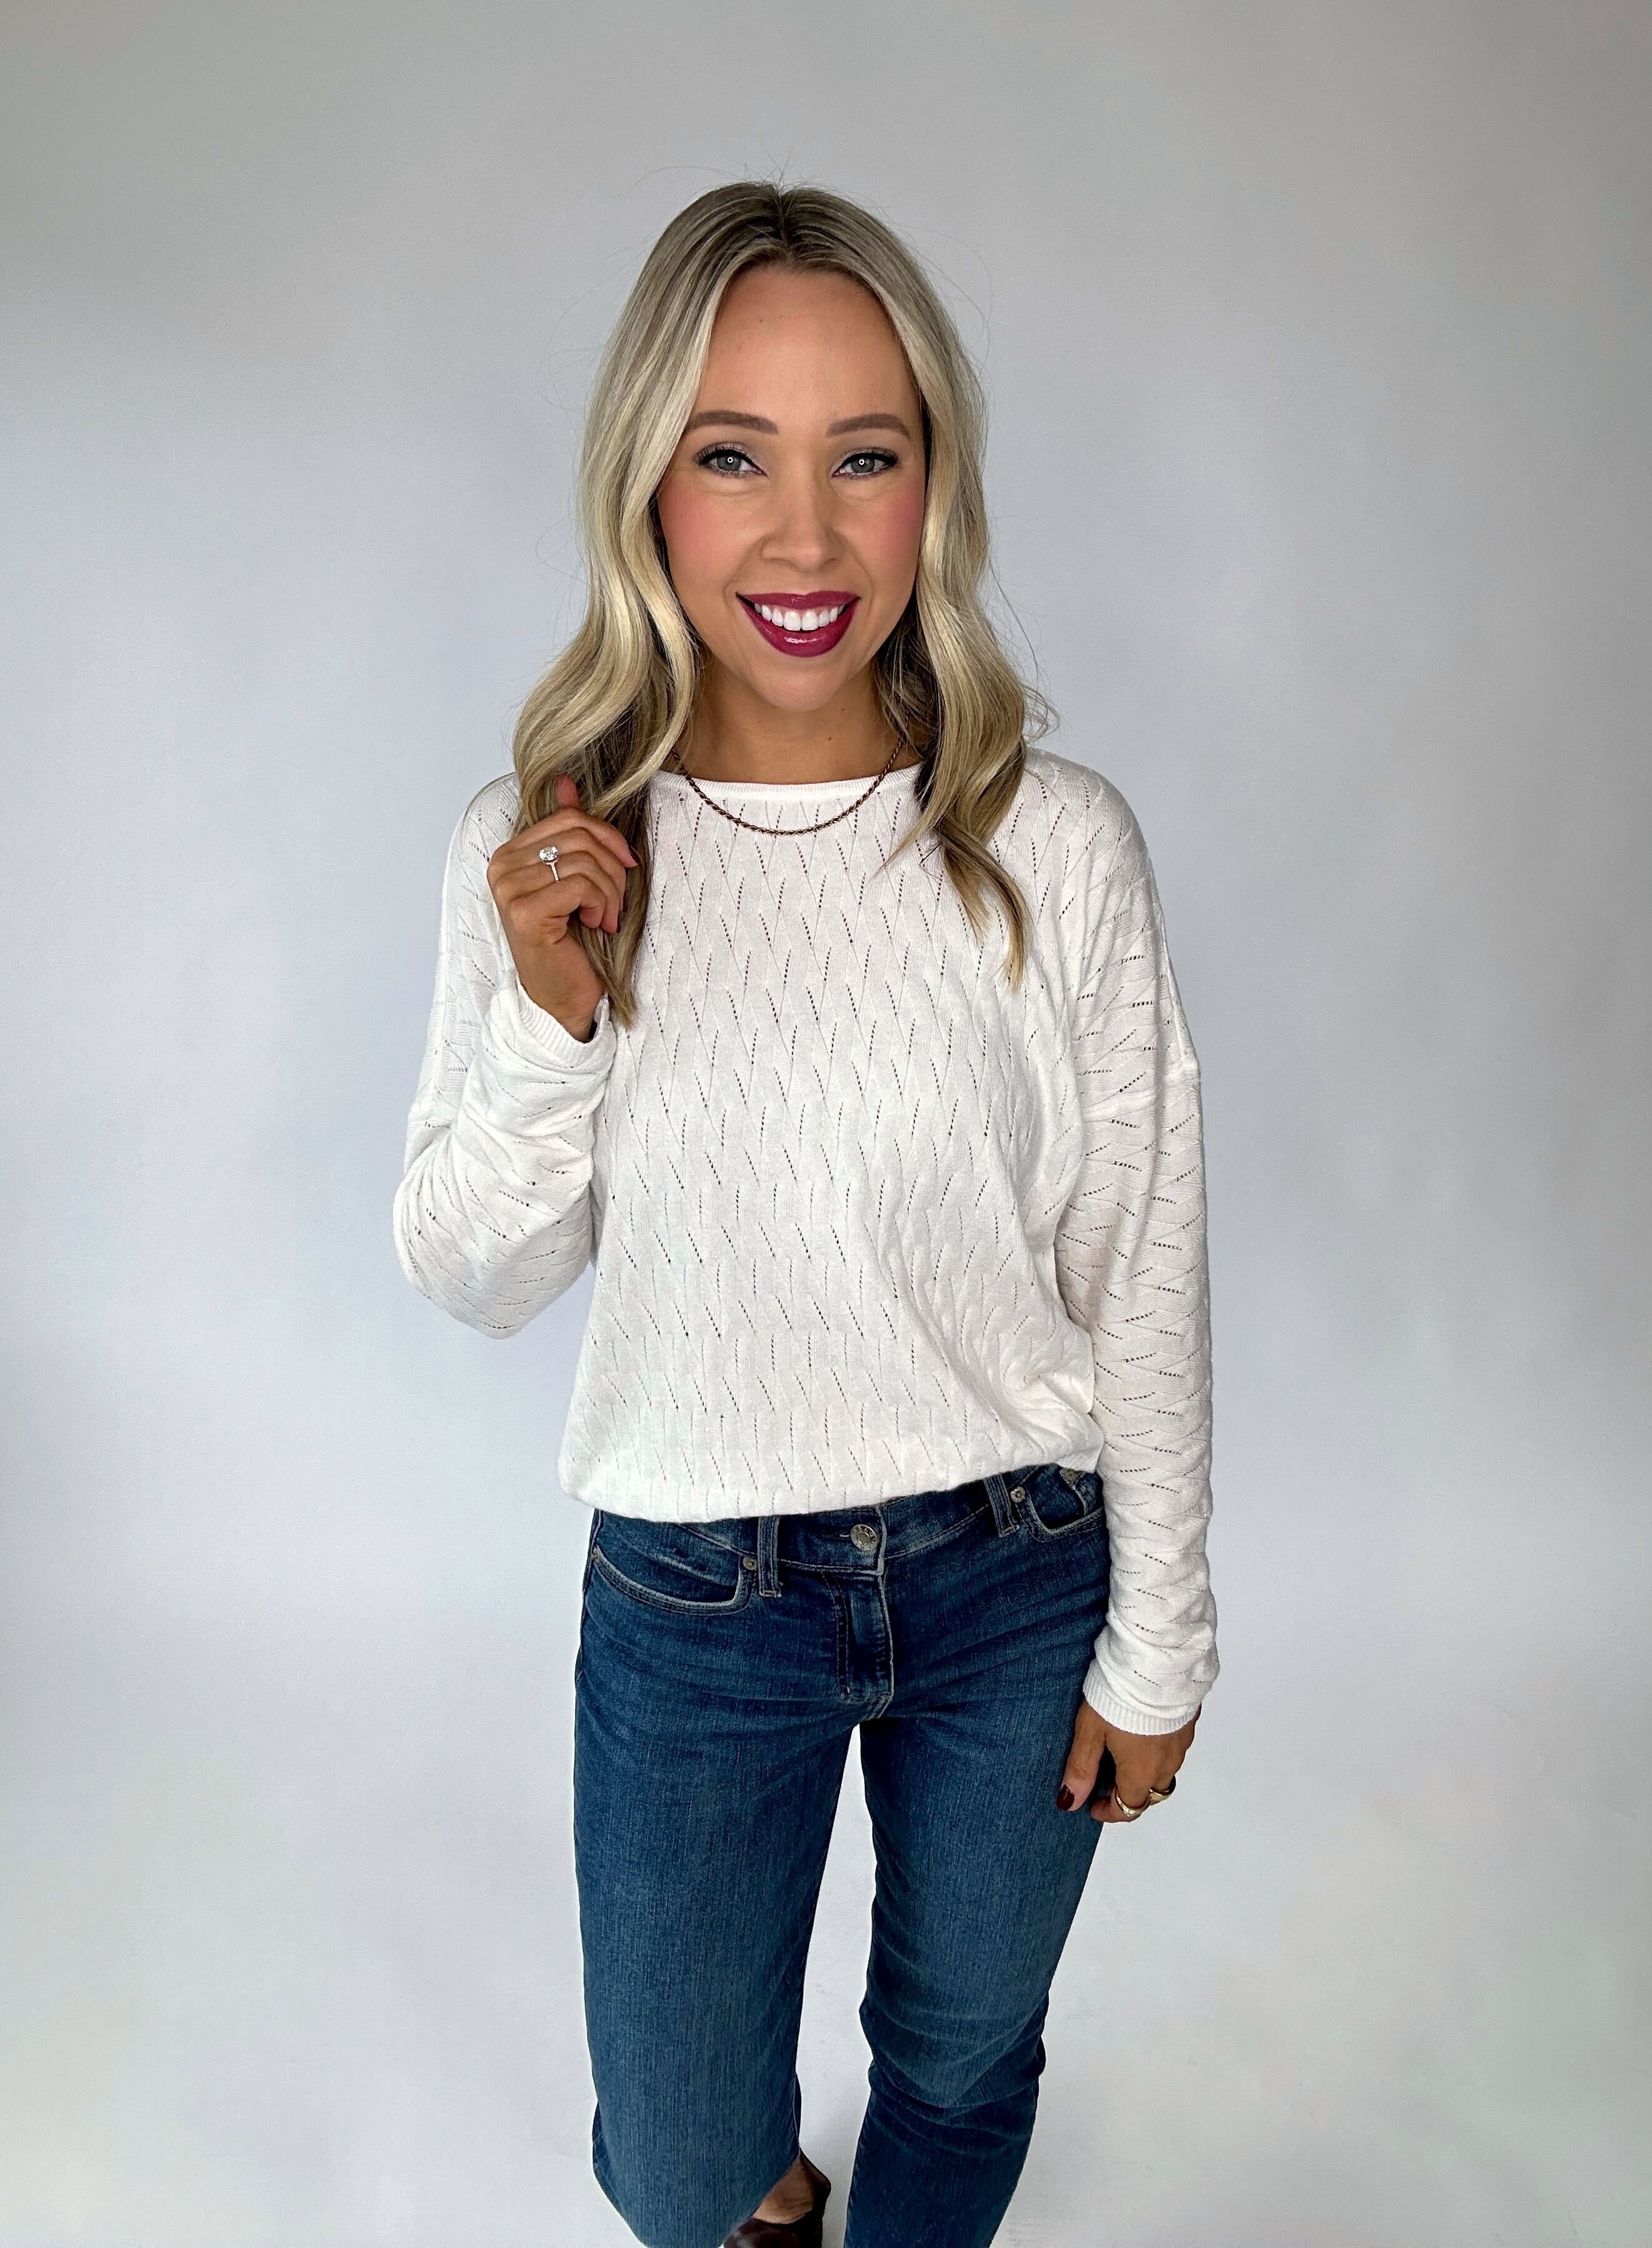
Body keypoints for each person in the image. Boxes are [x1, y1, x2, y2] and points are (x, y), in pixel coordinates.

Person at [393, 180, 1218, 2248]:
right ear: (646, 487)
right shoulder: (548, 850)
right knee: (680, 2167)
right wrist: (554, 1023)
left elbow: (1138, 1257)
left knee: (961, 2057)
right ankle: (764, 2186)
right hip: (699, 1597)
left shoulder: (1052, 842)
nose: (805, 537)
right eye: (732, 456)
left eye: (866, 457)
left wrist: (1162, 1638)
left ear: (935, 484)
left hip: (1015, 1574)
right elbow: (472, 1271)